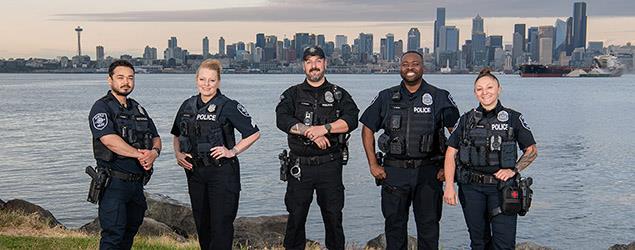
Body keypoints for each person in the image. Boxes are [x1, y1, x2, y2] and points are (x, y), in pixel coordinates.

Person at [360, 51, 459, 250]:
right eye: (405, 64)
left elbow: (457, 136)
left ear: (423, 67)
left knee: (429, 228)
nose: (410, 68)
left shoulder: (439, 96)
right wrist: (372, 164)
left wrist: (449, 172)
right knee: (394, 227)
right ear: (400, 68)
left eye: (415, 64)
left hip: (429, 172)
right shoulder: (386, 97)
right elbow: (367, 128)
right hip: (394, 172)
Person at [443, 68, 538, 250]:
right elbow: (450, 153)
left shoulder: (513, 118)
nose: (485, 92)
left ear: (499, 89)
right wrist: (449, 186)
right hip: (471, 188)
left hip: (503, 188)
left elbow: (531, 150)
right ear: (474, 92)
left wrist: (514, 170)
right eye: (479, 89)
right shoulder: (466, 119)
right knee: (478, 242)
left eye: (489, 87)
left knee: (504, 243)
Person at [275, 46, 359, 250]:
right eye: (309, 61)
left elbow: (352, 119)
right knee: (296, 217)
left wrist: (324, 129)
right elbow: (282, 119)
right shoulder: (292, 94)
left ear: (325, 64)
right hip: (299, 167)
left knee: (333, 217)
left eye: (318, 61)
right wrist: (309, 132)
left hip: (330, 166)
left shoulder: (339, 94)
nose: (314, 66)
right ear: (303, 65)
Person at [171, 59, 260, 250]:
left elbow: (253, 133)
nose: (206, 84)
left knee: (220, 228)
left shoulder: (228, 105)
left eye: (211, 80)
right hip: (195, 174)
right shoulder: (187, 105)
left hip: (222, 174)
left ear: (218, 82)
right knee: (203, 226)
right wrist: (178, 154)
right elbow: (177, 134)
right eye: (202, 79)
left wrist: (232, 151)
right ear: (196, 80)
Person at [88, 60, 162, 249]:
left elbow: (156, 137)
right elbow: (109, 140)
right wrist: (139, 155)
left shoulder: (138, 108)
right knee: (113, 236)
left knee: (129, 233)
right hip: (114, 184)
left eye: (130, 78)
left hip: (136, 184)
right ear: (109, 80)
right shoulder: (101, 108)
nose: (126, 82)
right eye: (120, 77)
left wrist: (154, 153)